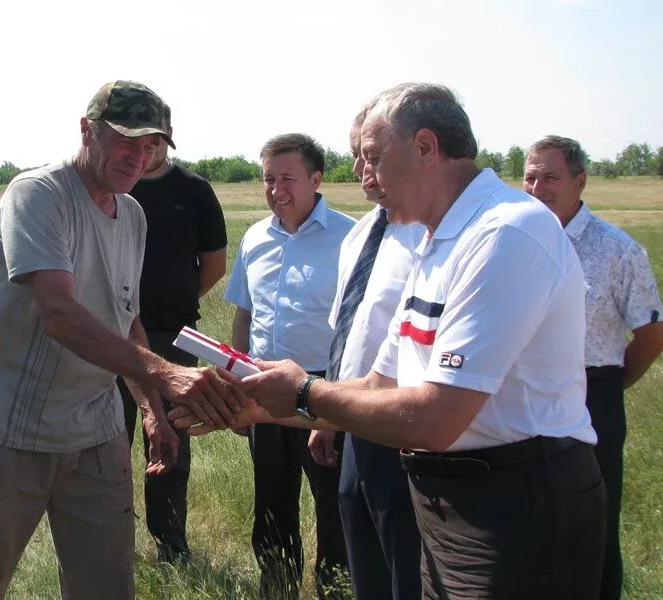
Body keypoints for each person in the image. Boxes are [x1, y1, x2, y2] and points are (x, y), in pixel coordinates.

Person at [175, 83, 607, 599]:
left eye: (374, 157)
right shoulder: (434, 239)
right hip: (451, 496)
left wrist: (302, 394)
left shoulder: (504, 233)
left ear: (426, 148)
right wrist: (262, 406)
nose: (362, 174)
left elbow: (438, 418)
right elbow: (381, 383)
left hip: (516, 502)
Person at [0, 80, 241, 600]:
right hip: (13, 434)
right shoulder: (39, 195)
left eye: (151, 146)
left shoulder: (133, 215)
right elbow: (59, 314)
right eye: (127, 140)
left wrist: (150, 410)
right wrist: (167, 374)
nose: (138, 157)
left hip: (97, 436)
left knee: (106, 585)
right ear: (86, 131)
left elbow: (128, 319)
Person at [523, 135, 663, 600]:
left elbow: (651, 333)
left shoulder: (618, 249)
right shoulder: (514, 240)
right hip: (524, 395)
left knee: (592, 520)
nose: (538, 187)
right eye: (530, 176)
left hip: (592, 394)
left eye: (551, 177)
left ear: (581, 181)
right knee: (530, 518)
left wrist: (612, 384)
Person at [224, 133, 354, 599]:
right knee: (272, 504)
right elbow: (244, 316)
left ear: (317, 179)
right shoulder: (255, 238)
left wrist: (337, 409)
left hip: (323, 389)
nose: (276, 189)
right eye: (268, 179)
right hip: (262, 391)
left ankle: (335, 590)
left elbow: (357, 332)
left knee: (333, 505)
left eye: (287, 179)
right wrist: (239, 386)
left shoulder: (350, 237)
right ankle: (276, 587)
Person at [117, 102, 228, 563]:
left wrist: (176, 302)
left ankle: (171, 546)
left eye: (157, 138)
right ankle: (112, 543)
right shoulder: (116, 188)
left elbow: (215, 265)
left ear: (168, 135)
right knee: (108, 440)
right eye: (139, 141)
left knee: (169, 442)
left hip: (175, 338)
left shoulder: (195, 191)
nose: (149, 149)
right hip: (113, 337)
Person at [321, 107, 424, 600]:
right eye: (356, 158)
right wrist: (327, 414)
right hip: (354, 419)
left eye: (372, 158)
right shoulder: (360, 233)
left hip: (405, 422)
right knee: (362, 551)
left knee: (405, 554)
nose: (363, 172)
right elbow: (347, 332)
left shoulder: (431, 235)